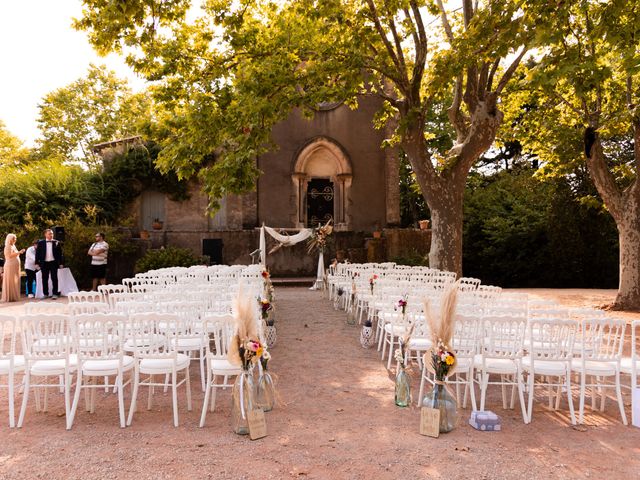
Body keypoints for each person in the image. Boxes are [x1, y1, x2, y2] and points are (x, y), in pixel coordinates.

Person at [35, 228, 64, 299]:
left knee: (54, 278)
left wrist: (61, 263)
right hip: (44, 263)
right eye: (49, 234)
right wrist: (36, 263)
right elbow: (37, 253)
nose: (51, 235)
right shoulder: (41, 243)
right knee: (44, 278)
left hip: (53, 263)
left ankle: (55, 293)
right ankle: (45, 294)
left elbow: (60, 254)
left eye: (52, 234)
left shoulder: (56, 242)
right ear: (45, 235)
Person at [1, 233, 25, 302]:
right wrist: (19, 252)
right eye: (14, 238)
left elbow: (15, 255)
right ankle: (9, 297)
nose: (15, 240)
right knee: (10, 280)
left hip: (15, 266)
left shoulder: (13, 246)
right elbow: (9, 255)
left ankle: (13, 296)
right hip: (10, 265)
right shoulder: (7, 246)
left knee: (14, 280)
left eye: (15, 238)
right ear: (10, 239)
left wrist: (19, 253)